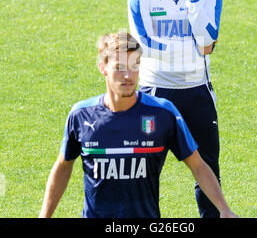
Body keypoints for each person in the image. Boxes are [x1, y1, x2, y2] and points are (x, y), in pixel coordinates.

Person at [39, 32, 237, 218]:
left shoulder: (163, 113)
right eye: (120, 67)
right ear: (103, 68)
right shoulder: (81, 115)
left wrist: (224, 209)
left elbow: (198, 166)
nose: (128, 75)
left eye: (134, 65)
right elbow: (63, 165)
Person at [128, 0, 223, 218]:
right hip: (154, 92)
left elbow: (207, 44)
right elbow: (146, 45)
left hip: (197, 91)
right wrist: (190, 46)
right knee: (144, 168)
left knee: (206, 168)